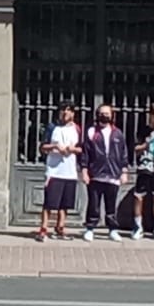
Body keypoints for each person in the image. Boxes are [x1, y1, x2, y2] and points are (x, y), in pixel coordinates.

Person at [81, 103, 130, 241]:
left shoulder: (118, 133)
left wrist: (124, 171)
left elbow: (123, 154)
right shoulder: (91, 132)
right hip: (95, 175)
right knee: (93, 204)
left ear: (112, 115)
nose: (104, 116)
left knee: (111, 205)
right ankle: (90, 228)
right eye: (102, 113)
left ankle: (113, 230)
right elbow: (85, 153)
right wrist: (84, 171)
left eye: (107, 113)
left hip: (113, 175)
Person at [38, 104, 82, 241]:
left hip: (69, 171)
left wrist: (72, 149)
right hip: (54, 171)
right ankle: (43, 229)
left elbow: (81, 149)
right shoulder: (52, 127)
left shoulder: (77, 129)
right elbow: (43, 147)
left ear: (73, 113)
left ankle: (60, 228)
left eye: (69, 110)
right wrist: (55, 146)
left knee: (65, 203)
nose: (65, 113)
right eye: (63, 110)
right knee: (49, 203)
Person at [129, 102, 154, 240]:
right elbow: (136, 149)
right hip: (144, 167)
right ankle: (138, 226)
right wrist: (146, 143)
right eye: (152, 114)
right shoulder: (142, 130)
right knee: (139, 196)